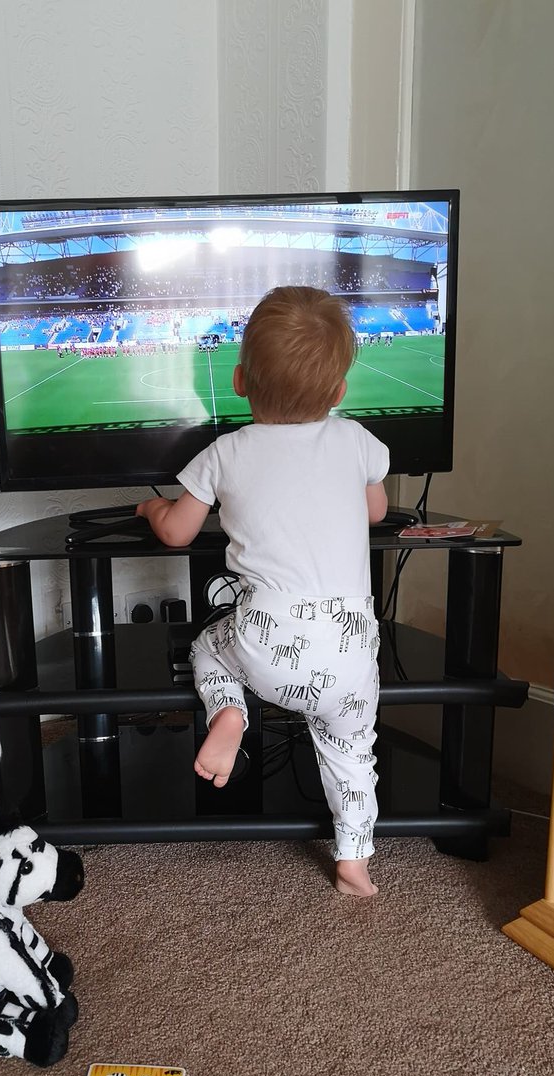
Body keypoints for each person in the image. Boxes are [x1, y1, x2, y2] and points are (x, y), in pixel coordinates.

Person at [136, 286, 389, 896]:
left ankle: (229, 713)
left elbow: (176, 533)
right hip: (350, 650)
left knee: (206, 648)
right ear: (339, 392)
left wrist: (150, 507)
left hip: (266, 643)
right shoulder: (356, 440)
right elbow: (377, 510)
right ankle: (353, 857)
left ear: (241, 379)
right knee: (352, 749)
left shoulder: (223, 452)